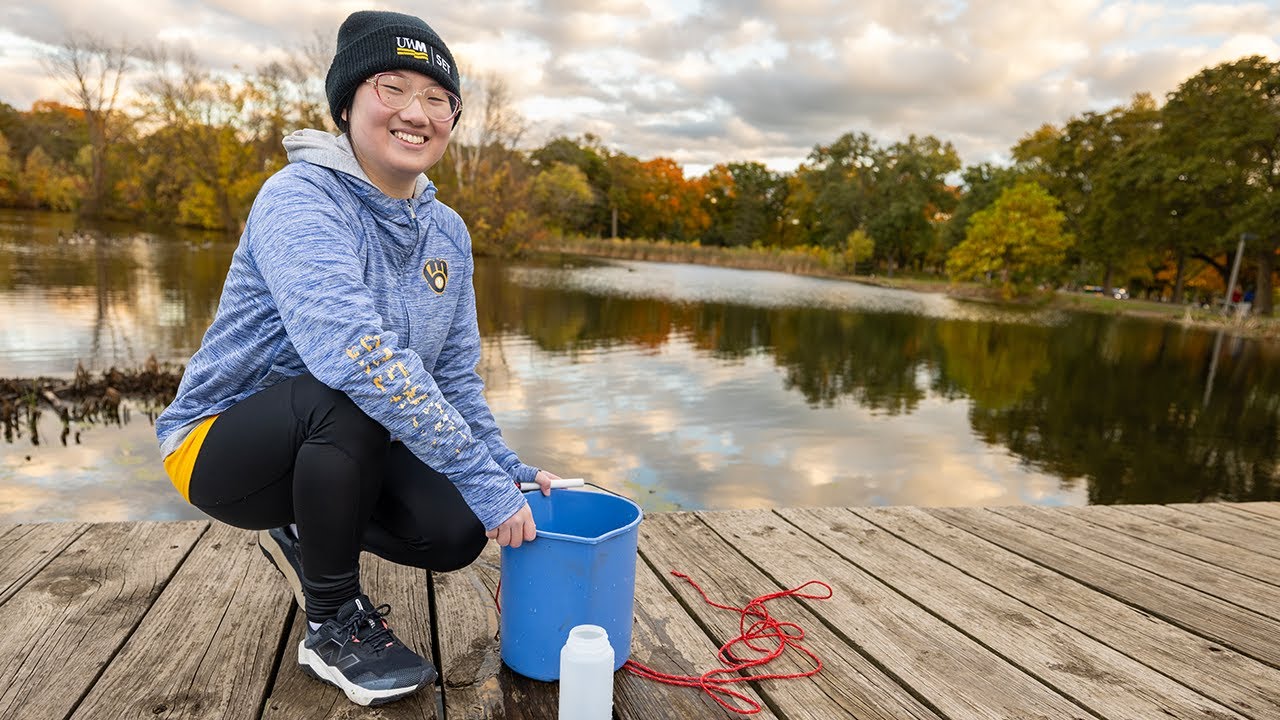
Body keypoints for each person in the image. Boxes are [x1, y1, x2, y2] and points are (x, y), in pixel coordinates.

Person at [155, 9, 559, 707]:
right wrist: (476, 471)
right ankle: (332, 621)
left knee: (457, 526)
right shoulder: (299, 199)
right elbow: (358, 357)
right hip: (217, 445)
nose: (417, 112)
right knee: (351, 390)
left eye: (438, 99)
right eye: (392, 88)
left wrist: (502, 474)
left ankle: (304, 529)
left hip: (337, 435)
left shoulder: (447, 231)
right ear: (346, 105)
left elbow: (456, 375)